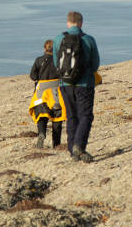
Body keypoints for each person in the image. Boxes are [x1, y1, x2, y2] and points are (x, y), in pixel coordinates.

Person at [53, 11, 100, 163]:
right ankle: (79, 146)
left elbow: (56, 63)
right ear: (81, 23)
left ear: (68, 23)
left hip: (65, 84)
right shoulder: (89, 39)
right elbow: (95, 64)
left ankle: (73, 151)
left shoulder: (58, 39)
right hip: (84, 84)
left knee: (71, 116)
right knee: (85, 115)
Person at [29, 39, 63, 149]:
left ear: (44, 49)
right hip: (56, 93)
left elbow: (33, 76)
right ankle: (56, 144)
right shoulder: (60, 61)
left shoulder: (39, 60)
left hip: (41, 94)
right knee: (57, 118)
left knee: (41, 116)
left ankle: (41, 134)